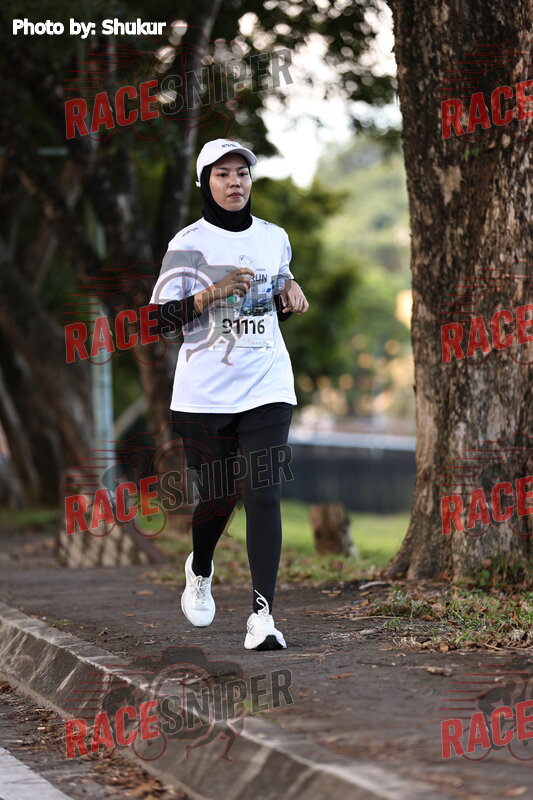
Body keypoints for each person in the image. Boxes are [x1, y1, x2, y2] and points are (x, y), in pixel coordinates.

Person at [150, 138, 309, 650]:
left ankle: (263, 617)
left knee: (263, 493)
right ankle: (200, 568)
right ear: (205, 182)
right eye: (222, 174)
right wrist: (210, 294)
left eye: (242, 173)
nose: (234, 182)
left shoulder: (275, 238)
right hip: (204, 395)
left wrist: (290, 292)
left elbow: (271, 300)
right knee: (218, 497)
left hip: (267, 384)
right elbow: (157, 320)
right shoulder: (187, 244)